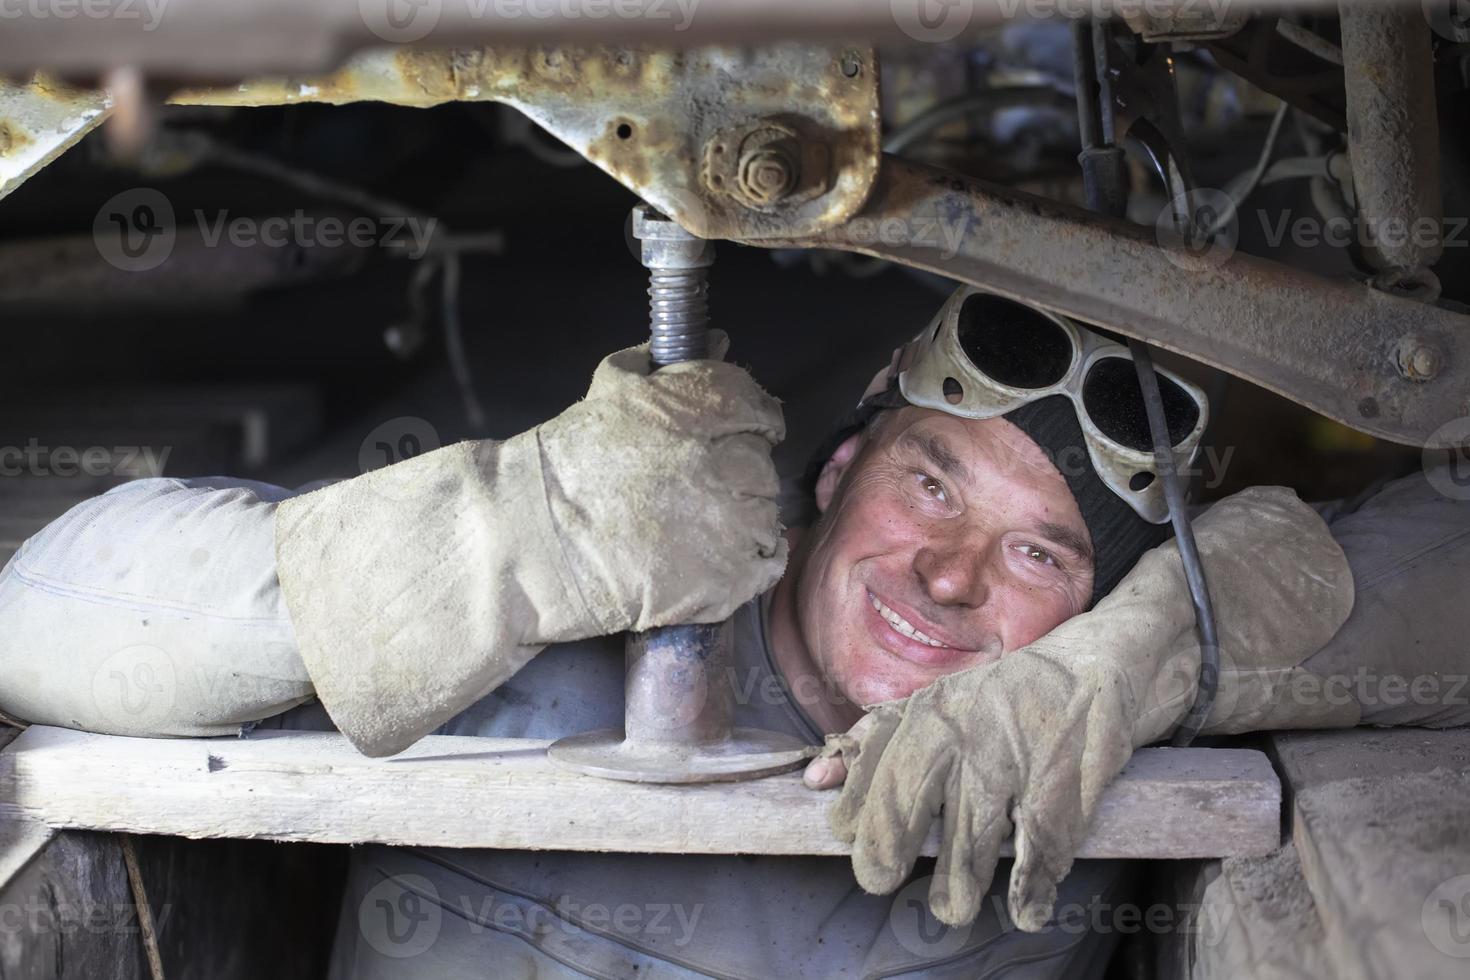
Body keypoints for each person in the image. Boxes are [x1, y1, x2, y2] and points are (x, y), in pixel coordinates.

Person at [0, 287, 1463, 978]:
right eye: (928, 484)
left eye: (1036, 552)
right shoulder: (555, 639)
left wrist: (1162, 649)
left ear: (1090, 602)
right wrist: (520, 533)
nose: (946, 579)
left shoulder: (1072, 738)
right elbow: (46, 613)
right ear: (835, 475)